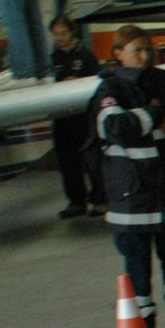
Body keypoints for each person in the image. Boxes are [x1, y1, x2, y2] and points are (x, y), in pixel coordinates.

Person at [89, 26, 165, 328]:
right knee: (138, 269)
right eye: (136, 50)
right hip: (133, 199)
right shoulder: (110, 89)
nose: (144, 56)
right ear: (118, 52)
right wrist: (153, 115)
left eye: (147, 50)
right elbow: (115, 128)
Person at [50, 15, 105, 218]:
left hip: (84, 117)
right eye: (56, 34)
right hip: (63, 117)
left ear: (71, 32)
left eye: (63, 33)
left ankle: (100, 200)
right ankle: (76, 201)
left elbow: (98, 81)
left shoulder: (86, 56)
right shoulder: (52, 58)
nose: (60, 38)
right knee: (67, 161)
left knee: (92, 159)